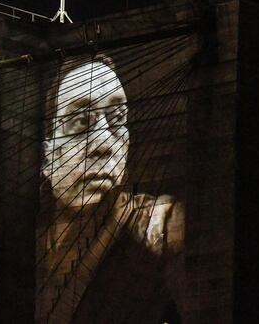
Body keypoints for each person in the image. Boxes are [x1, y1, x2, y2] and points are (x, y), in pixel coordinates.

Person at [37, 54, 185, 323]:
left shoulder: (157, 221)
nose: (104, 143)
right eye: (81, 122)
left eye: (117, 119)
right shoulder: (7, 250)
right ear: (46, 151)